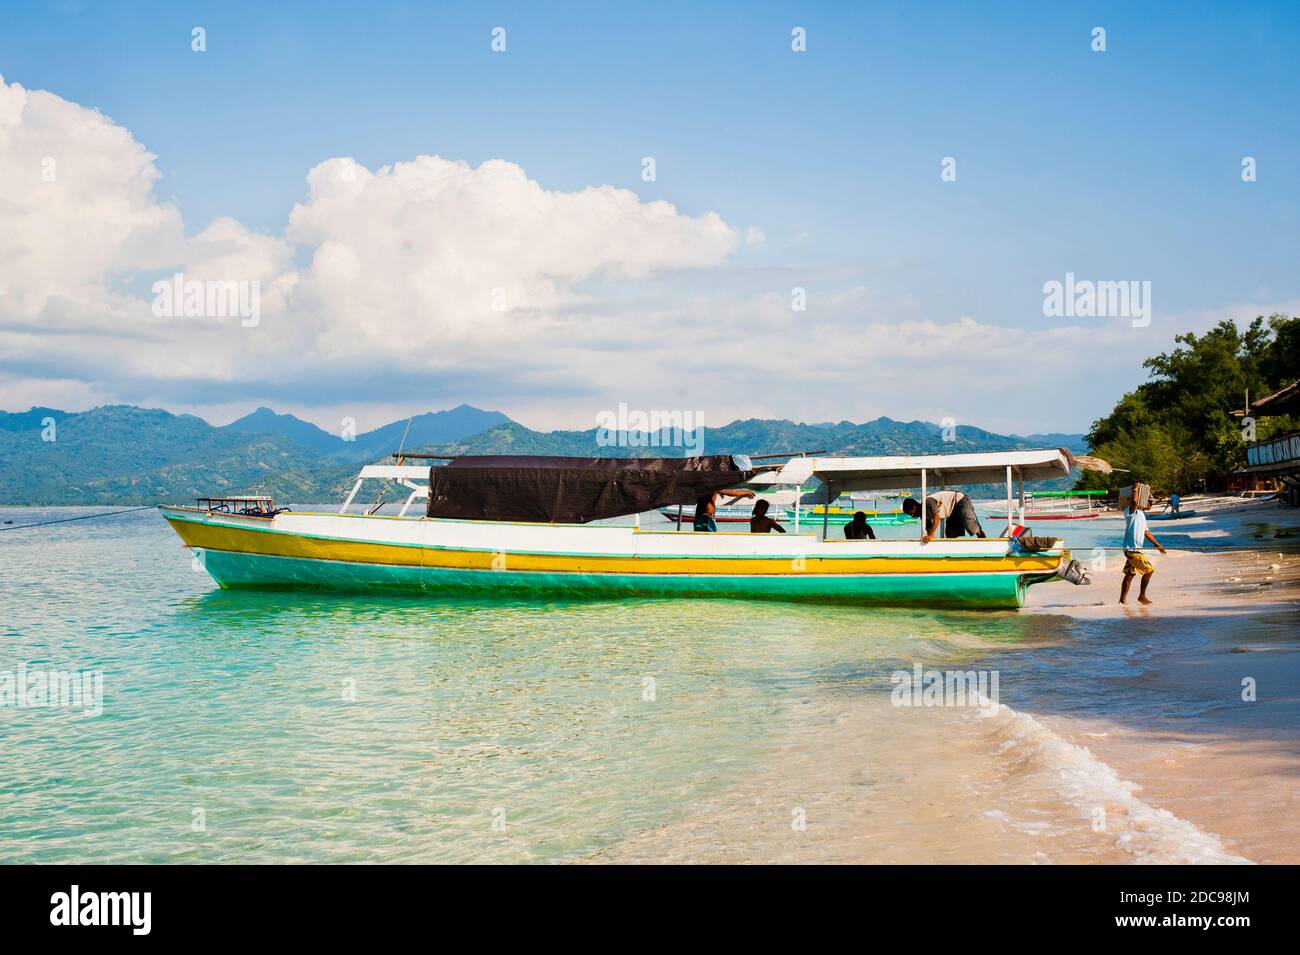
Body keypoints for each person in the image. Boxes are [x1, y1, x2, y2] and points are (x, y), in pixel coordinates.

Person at [1120, 496, 1167, 605]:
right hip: (1132, 549)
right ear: (1143, 502)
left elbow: (1146, 532)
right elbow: (1134, 501)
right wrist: (1136, 489)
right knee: (1149, 570)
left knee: (1130, 574)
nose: (1151, 504)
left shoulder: (1142, 515)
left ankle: (1122, 601)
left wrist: (1157, 545)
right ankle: (1142, 596)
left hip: (1135, 550)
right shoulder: (1131, 511)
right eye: (1150, 502)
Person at [901, 490, 985, 542]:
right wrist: (929, 538)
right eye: (910, 515)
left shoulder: (928, 501)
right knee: (950, 535)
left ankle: (984, 543)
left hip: (960, 500)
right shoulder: (923, 515)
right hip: (951, 512)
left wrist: (931, 535)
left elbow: (936, 518)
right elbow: (929, 530)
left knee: (971, 525)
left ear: (915, 507)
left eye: (911, 513)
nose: (912, 515)